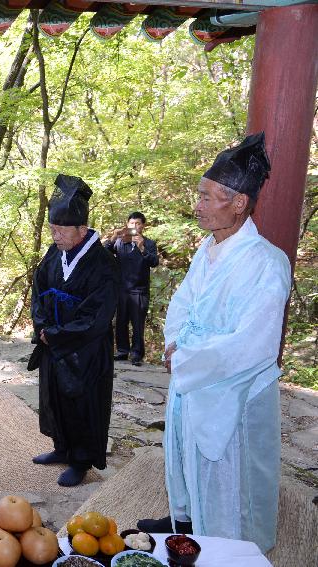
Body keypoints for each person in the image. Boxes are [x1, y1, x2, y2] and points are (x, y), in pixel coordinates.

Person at [138, 133, 290, 553]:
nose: (198, 206)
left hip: (232, 384)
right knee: (185, 452)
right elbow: (183, 302)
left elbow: (255, 343)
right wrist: (175, 344)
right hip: (194, 367)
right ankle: (184, 518)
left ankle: (227, 544)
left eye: (207, 197)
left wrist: (189, 357)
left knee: (228, 473)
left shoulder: (266, 261)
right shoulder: (207, 248)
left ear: (239, 202)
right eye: (199, 196)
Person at [29, 174, 119, 487]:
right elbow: (38, 289)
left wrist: (56, 334)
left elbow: (96, 316)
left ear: (82, 229)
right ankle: (61, 447)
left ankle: (80, 460)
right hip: (53, 342)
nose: (54, 236)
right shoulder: (55, 254)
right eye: (52, 229)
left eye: (61, 230)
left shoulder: (104, 264)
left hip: (85, 350)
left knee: (82, 402)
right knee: (55, 397)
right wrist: (41, 326)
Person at [103, 212, 159, 365]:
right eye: (132, 223)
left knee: (138, 324)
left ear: (143, 226)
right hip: (121, 289)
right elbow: (103, 253)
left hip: (140, 291)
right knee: (121, 322)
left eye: (138, 223)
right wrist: (113, 238)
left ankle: (136, 354)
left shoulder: (149, 243)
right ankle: (122, 351)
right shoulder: (121, 242)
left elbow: (154, 262)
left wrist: (142, 248)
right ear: (127, 225)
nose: (134, 226)